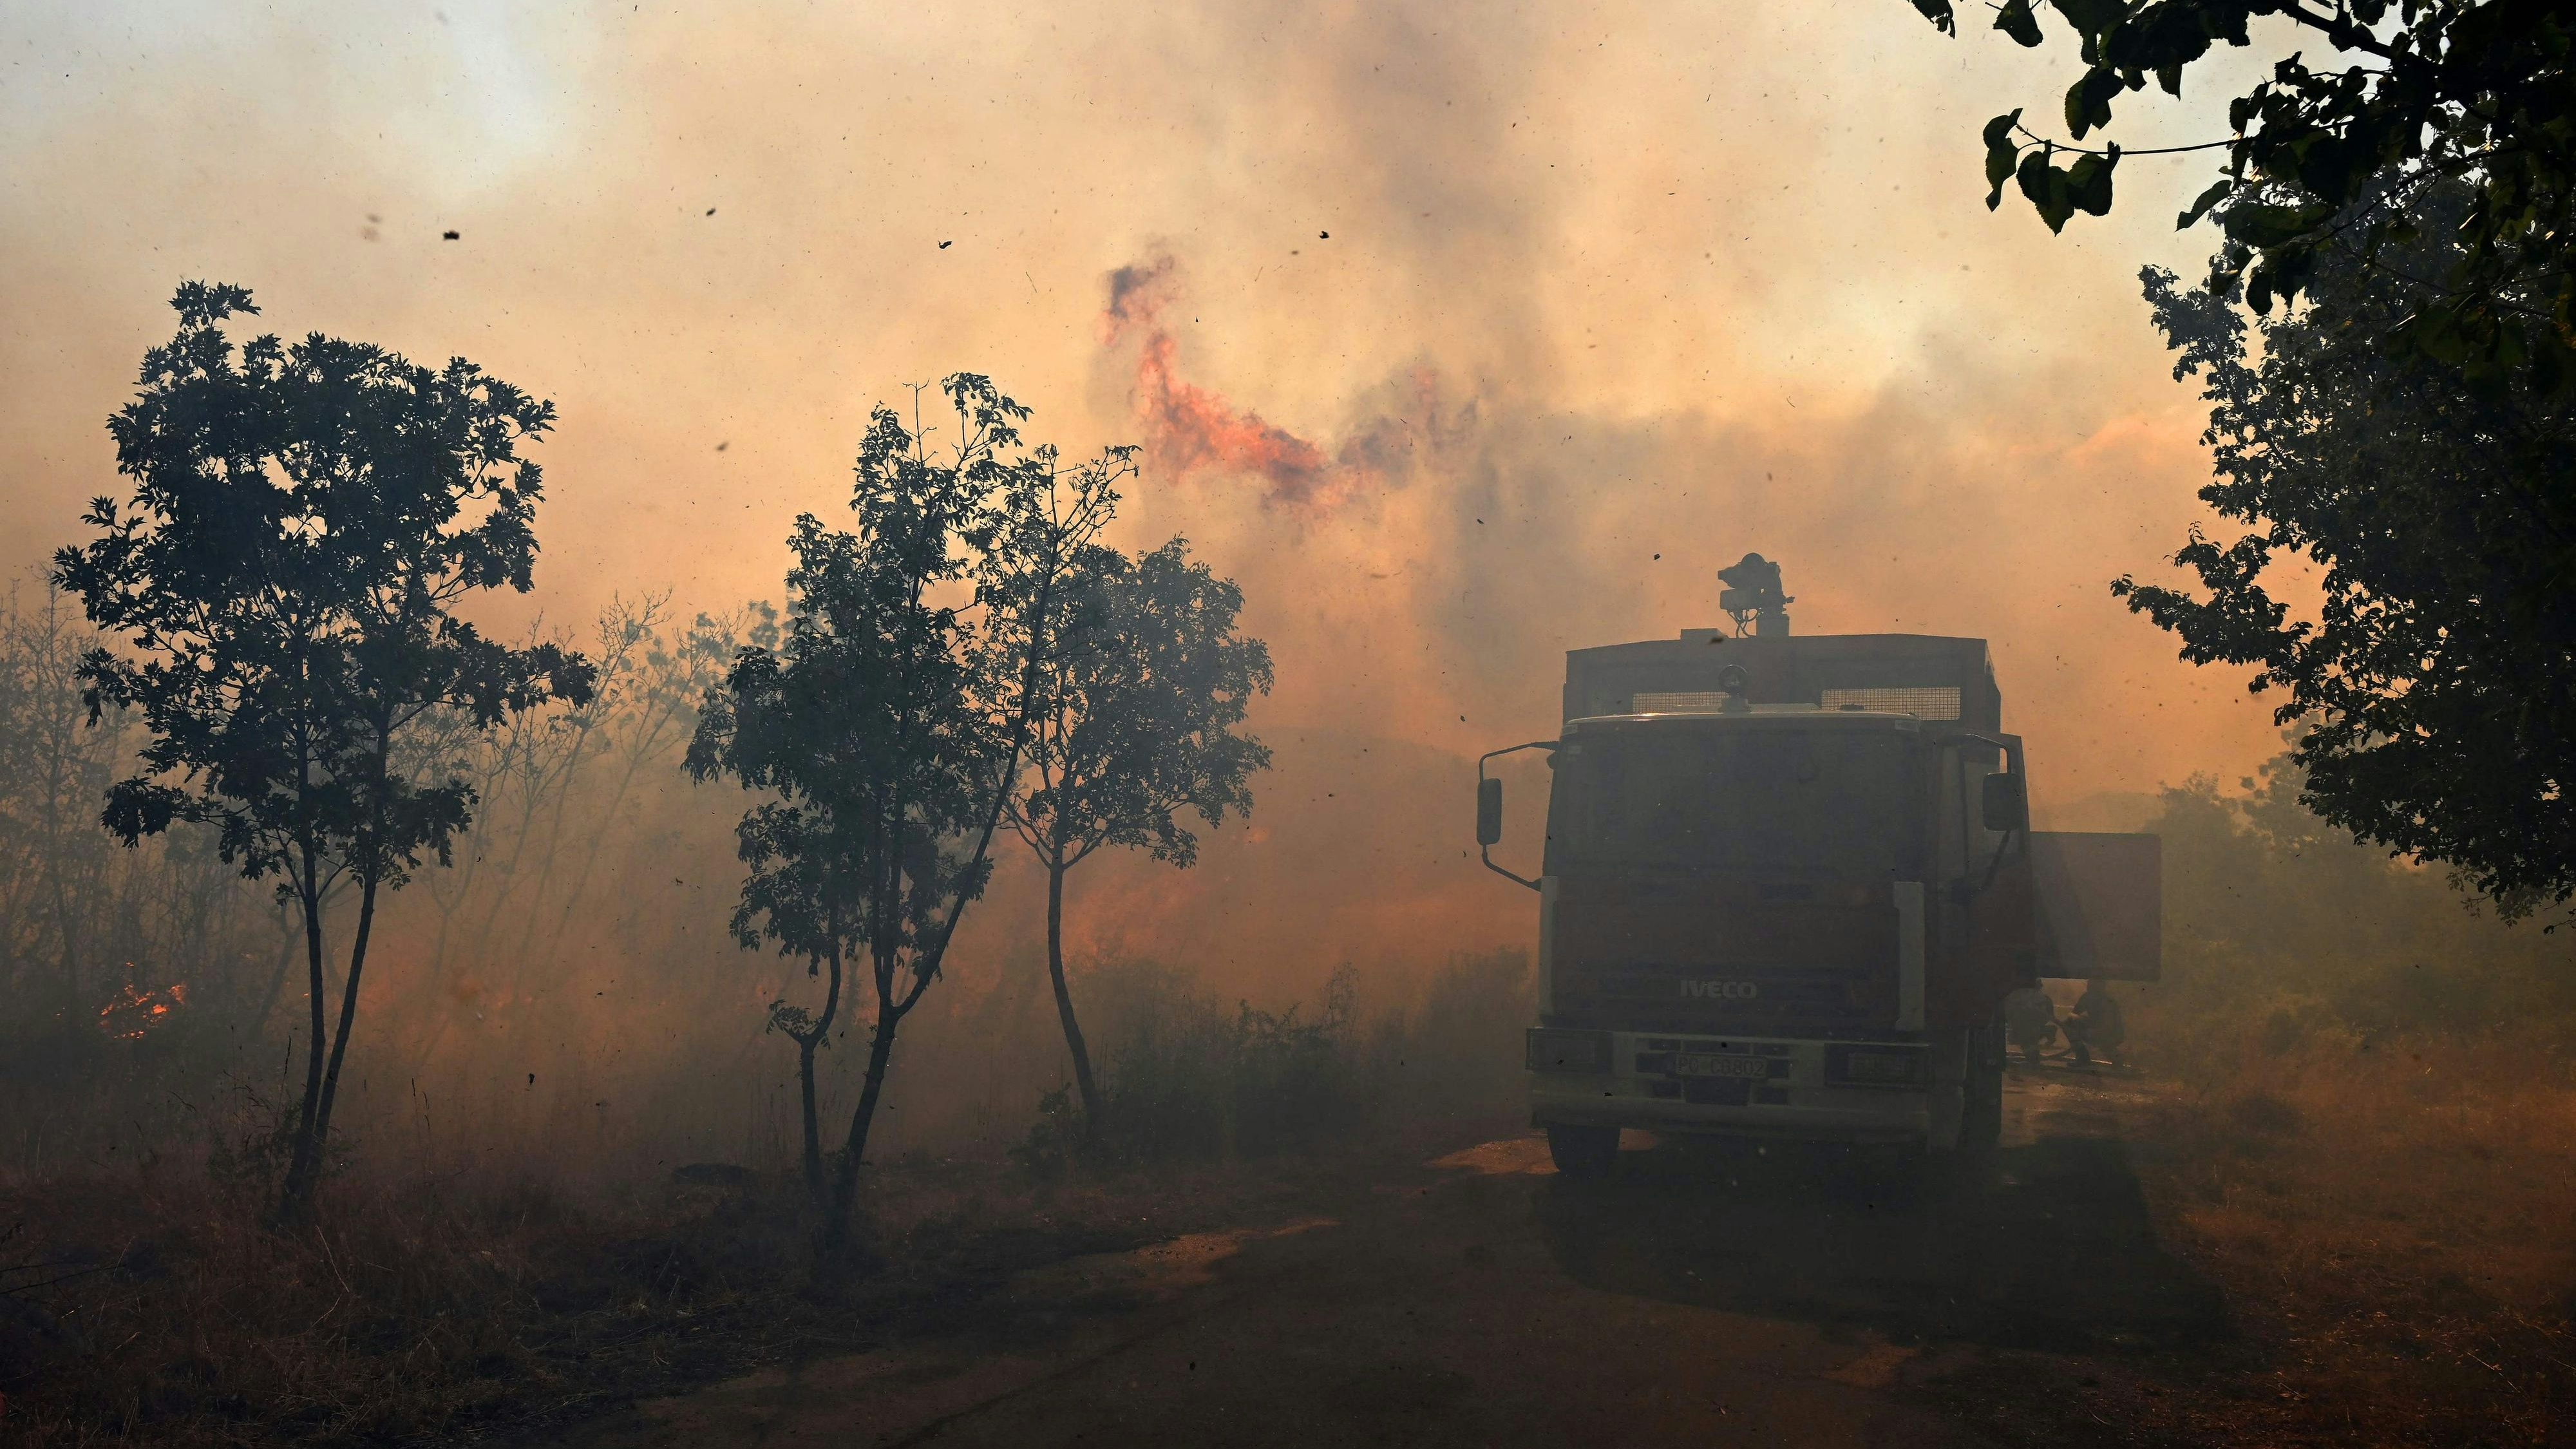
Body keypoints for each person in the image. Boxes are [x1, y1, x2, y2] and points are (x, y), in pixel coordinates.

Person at [2063, 978, 2126, 1068]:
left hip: (2110, 1033)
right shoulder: (2087, 998)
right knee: (2072, 1025)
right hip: (2097, 1029)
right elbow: (2074, 1014)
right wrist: (2068, 1026)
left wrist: (2092, 1032)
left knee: (2106, 1045)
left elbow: (2109, 1025)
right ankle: (2082, 1057)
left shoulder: (2108, 1002)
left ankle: (2117, 1060)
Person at [2003, 983, 2058, 1065]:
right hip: (2032, 1019)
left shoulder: (2021, 996)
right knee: (2019, 1036)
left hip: (2028, 1020)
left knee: (2021, 1037)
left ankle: (2033, 1057)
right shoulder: (2039, 996)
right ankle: (2045, 1031)